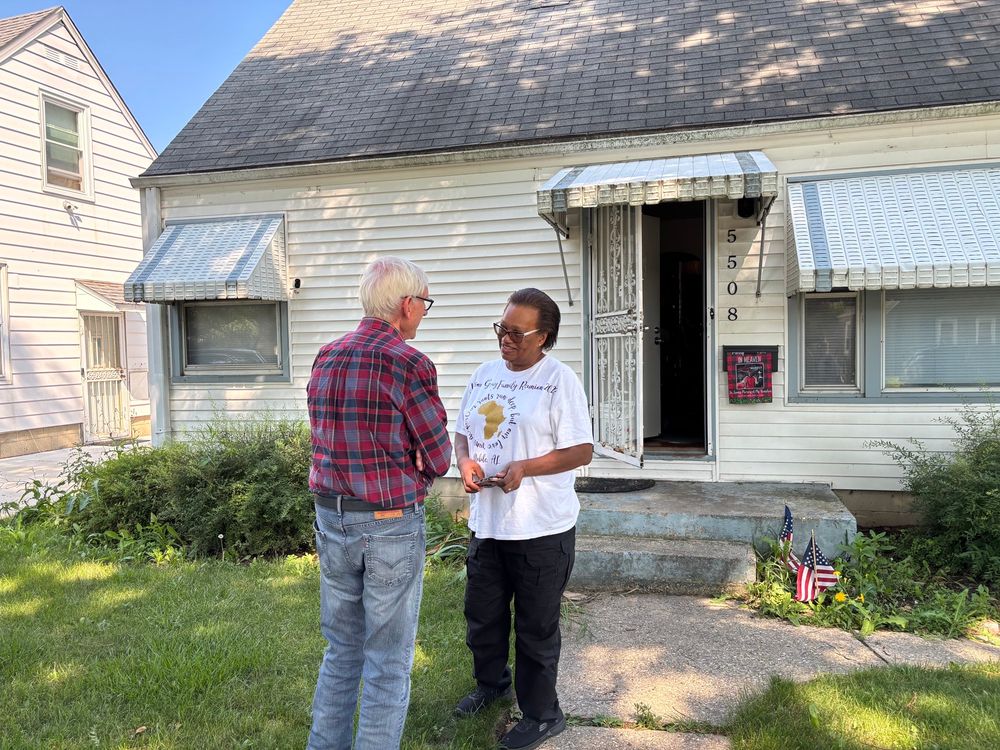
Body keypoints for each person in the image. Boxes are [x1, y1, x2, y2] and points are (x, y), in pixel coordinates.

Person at [306, 256, 452, 750]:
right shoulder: (410, 363)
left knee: (342, 651)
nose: (424, 314)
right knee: (388, 662)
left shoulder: (326, 355)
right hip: (389, 524)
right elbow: (438, 455)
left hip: (332, 518)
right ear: (406, 305)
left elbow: (327, 440)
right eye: (424, 304)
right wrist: (411, 457)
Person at [453, 288, 594, 750]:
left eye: (516, 332)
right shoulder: (483, 375)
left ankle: (542, 714)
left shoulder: (559, 381)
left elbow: (581, 450)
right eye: (502, 329)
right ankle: (492, 685)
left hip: (540, 529)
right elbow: (462, 435)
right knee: (483, 615)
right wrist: (465, 463)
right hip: (489, 523)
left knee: (535, 627)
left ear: (543, 337)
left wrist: (525, 468)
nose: (505, 339)